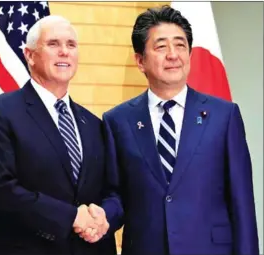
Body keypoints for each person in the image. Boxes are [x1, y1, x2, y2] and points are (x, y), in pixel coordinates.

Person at [101, 5, 259, 255]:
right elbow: (116, 195)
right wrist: (99, 217)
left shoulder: (224, 116)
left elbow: (242, 202)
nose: (173, 55)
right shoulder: (117, 121)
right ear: (140, 60)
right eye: (161, 47)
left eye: (180, 45)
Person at [0, 15, 117, 255]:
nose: (64, 52)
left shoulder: (94, 123)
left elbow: (113, 190)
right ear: (29, 55)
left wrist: (105, 216)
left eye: (71, 45)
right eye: (53, 44)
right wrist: (71, 217)